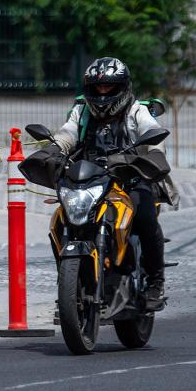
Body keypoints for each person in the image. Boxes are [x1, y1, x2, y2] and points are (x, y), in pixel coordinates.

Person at [52, 57, 172, 309]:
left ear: (122, 87)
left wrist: (154, 153)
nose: (103, 92)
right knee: (62, 218)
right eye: (98, 87)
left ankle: (155, 283)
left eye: (109, 87)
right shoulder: (81, 111)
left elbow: (152, 133)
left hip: (129, 179)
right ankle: (68, 287)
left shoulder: (135, 110)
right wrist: (53, 150)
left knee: (145, 217)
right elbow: (67, 134)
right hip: (89, 180)